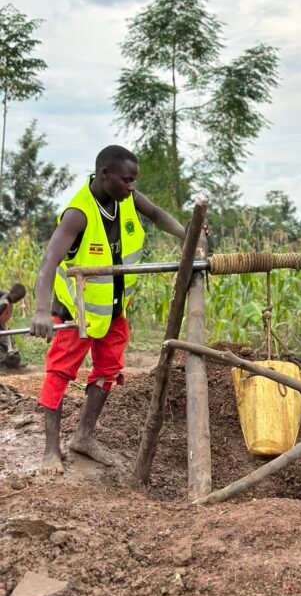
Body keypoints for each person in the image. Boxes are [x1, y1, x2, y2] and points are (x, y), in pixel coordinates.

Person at [30, 145, 186, 474]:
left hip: (113, 310)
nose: (132, 186)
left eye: (134, 180)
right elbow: (47, 264)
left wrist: (189, 235)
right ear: (105, 175)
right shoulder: (78, 213)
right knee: (60, 373)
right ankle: (50, 450)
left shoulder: (127, 199)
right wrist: (42, 311)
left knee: (109, 370)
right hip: (77, 312)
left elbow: (157, 214)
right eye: (126, 180)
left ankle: (84, 436)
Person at [0, 283, 27, 369]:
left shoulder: (8, 299)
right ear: (11, 292)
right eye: (16, 298)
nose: (17, 301)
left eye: (19, 299)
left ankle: (13, 364)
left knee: (11, 348)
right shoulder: (4, 303)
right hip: (1, 327)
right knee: (4, 348)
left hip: (4, 326)